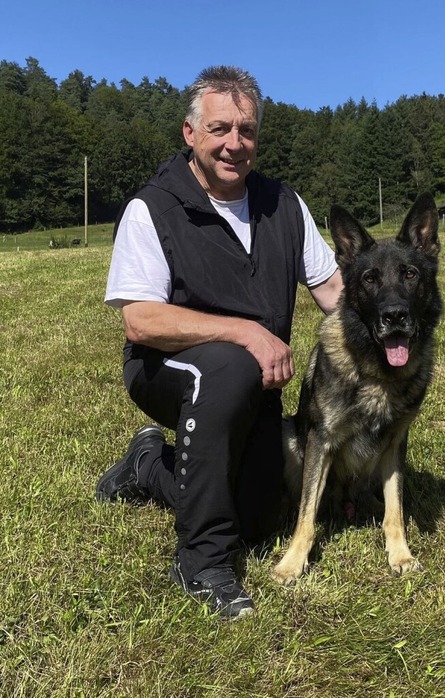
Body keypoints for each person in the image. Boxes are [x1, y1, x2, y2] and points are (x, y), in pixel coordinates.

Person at [96, 65, 343, 619]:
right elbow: (140, 320)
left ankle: (147, 466)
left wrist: (390, 322)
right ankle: (201, 562)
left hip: (256, 386)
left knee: (256, 515)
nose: (235, 144)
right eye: (220, 129)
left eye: (247, 130)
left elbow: (332, 290)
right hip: (168, 369)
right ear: (190, 133)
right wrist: (244, 332)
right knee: (227, 366)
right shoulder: (153, 207)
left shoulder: (283, 205)